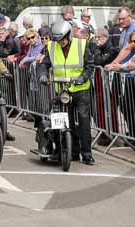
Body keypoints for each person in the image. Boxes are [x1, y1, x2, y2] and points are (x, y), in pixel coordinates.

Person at [38, 19, 96, 165]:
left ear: (69, 36)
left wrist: (81, 78)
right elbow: (44, 64)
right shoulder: (51, 46)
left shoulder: (82, 45)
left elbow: (89, 66)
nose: (60, 43)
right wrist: (43, 75)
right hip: (62, 91)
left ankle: (87, 154)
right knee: (65, 122)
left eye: (62, 39)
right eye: (57, 40)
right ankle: (71, 152)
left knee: (83, 121)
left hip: (80, 90)